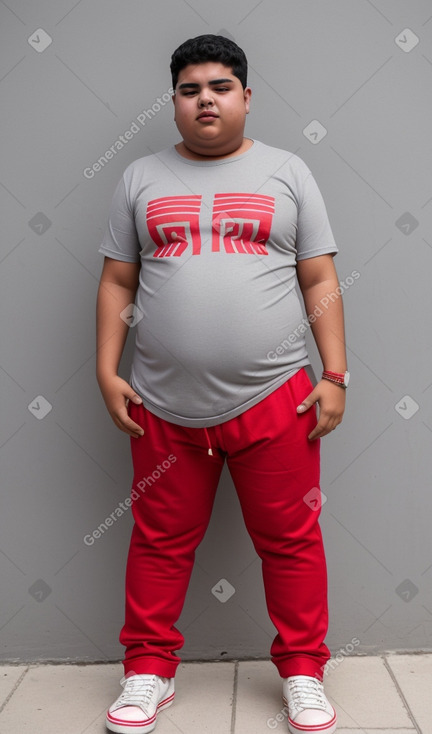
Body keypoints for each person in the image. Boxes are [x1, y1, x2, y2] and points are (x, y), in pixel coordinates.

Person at [96, 34, 348, 734]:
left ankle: (302, 672)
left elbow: (319, 276)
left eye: (219, 85)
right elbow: (118, 278)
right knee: (158, 539)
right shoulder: (139, 178)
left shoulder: (288, 172)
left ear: (245, 96)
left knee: (291, 539)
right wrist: (105, 371)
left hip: (275, 397)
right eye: (188, 88)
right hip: (161, 400)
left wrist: (334, 375)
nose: (204, 98)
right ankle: (148, 672)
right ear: (174, 101)